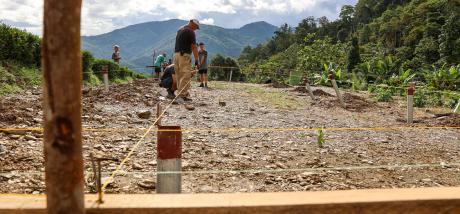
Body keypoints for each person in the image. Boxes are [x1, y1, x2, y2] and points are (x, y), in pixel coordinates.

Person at [173, 19, 200, 103]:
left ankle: (179, 95)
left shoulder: (180, 29)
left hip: (176, 55)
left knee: (179, 76)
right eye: (196, 27)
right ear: (192, 23)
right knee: (186, 75)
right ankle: (182, 96)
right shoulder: (190, 31)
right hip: (184, 55)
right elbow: (194, 47)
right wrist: (196, 60)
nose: (196, 29)